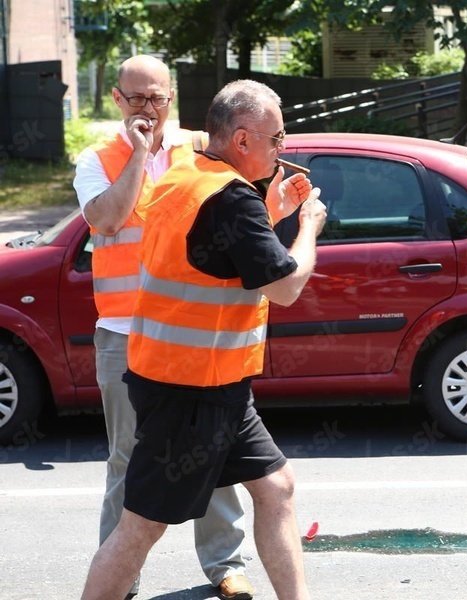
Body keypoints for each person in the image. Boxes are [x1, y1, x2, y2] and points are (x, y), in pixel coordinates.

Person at [80, 79, 327, 600]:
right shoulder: (233, 200)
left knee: (277, 487)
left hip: (210, 385)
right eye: (277, 138)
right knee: (141, 528)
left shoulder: (187, 171)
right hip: (190, 391)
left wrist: (271, 212)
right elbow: (286, 286)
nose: (283, 148)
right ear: (242, 140)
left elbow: (211, 255)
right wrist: (306, 227)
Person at [73, 55, 255, 600]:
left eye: (157, 98)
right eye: (137, 99)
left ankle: (226, 565)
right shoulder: (97, 159)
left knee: (215, 448)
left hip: (191, 330)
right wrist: (138, 154)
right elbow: (106, 218)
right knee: (127, 460)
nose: (148, 109)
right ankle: (118, 574)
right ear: (116, 100)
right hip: (125, 335)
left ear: (171, 99)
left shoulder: (199, 151)